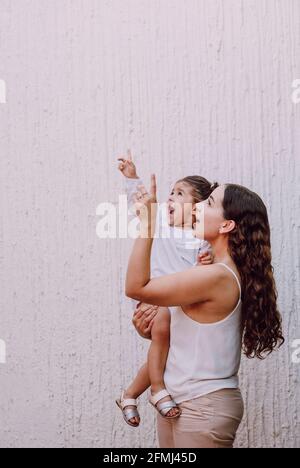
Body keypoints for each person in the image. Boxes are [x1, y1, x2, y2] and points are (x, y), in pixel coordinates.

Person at [126, 174, 284, 448]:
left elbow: (136, 287)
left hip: (203, 408)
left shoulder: (217, 277)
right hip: (182, 401)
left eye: (209, 203)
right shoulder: (210, 272)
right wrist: (149, 331)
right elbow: (194, 337)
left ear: (227, 224)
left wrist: (148, 224)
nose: (198, 207)